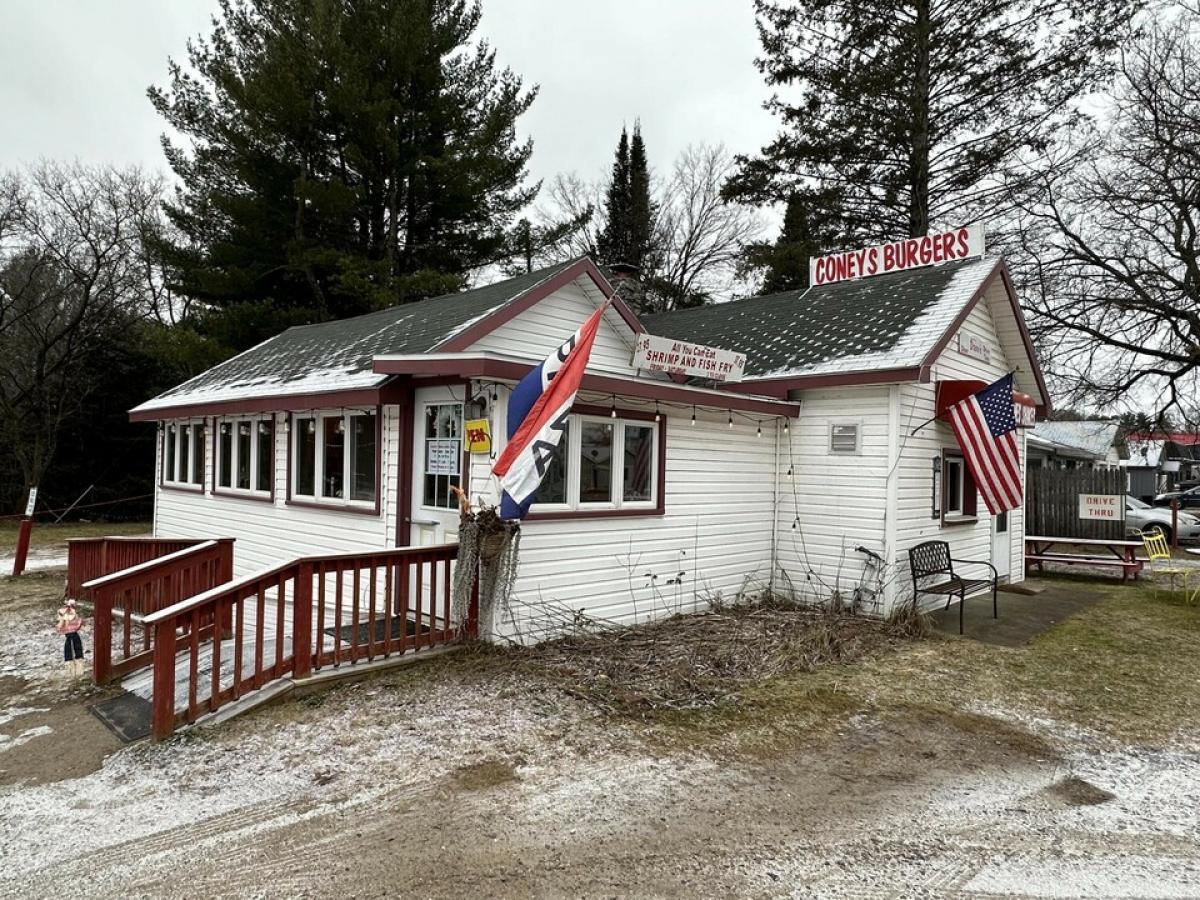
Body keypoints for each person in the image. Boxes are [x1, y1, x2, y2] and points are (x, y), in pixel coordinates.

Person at [55, 598, 86, 678]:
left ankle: (71, 670)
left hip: (69, 636)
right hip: (73, 635)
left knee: (69, 652)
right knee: (77, 651)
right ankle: (77, 670)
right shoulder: (70, 613)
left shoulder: (64, 612)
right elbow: (79, 622)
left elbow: (60, 624)